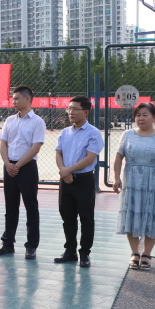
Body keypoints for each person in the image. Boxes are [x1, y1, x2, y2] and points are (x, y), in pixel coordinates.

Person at [113, 103, 155, 270]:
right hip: (131, 181)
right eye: (138, 115)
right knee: (131, 214)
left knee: (152, 215)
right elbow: (118, 157)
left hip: (154, 182)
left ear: (154, 117)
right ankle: (134, 252)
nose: (141, 118)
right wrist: (116, 178)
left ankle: (146, 253)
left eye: (145, 115)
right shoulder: (127, 135)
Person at [0, 85, 46, 259]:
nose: (14, 101)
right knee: (10, 207)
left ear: (27, 99)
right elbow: (3, 143)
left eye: (17, 98)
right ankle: (7, 243)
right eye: (13, 98)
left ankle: (31, 246)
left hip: (27, 168)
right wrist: (7, 164)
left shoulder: (37, 122)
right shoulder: (10, 120)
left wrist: (17, 165)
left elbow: (35, 148)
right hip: (9, 166)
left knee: (31, 207)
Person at [54, 95, 104, 268]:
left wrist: (68, 170)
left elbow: (90, 158)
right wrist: (63, 171)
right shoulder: (64, 132)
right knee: (67, 217)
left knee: (86, 218)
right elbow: (58, 153)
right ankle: (70, 251)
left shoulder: (93, 133)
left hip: (83, 180)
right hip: (65, 180)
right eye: (69, 109)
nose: (71, 112)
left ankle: (84, 253)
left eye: (75, 109)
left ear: (86, 112)